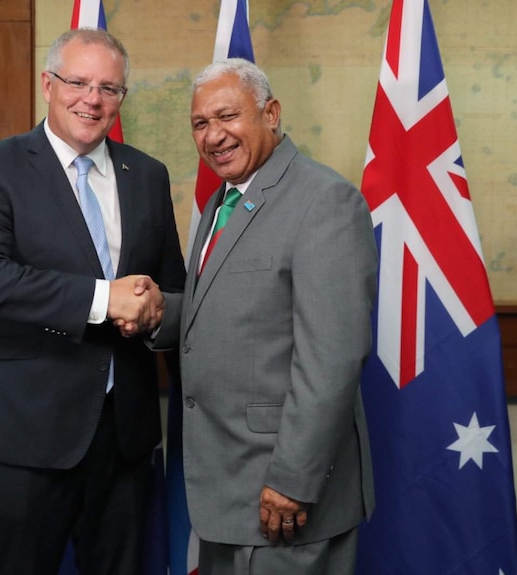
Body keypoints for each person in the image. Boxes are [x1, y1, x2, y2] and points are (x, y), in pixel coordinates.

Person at [0, 28, 185, 574]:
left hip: (124, 434)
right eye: (78, 82)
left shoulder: (147, 174)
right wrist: (105, 300)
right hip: (26, 431)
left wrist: (151, 315)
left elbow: (170, 289)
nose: (92, 99)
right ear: (47, 85)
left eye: (109, 88)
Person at [150, 58, 378, 574]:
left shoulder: (325, 202)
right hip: (224, 486)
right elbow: (233, 309)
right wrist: (158, 313)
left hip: (281, 491)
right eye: (200, 124)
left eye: (227, 116)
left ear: (271, 114)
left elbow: (332, 358)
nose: (213, 136)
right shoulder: (224, 201)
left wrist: (294, 477)